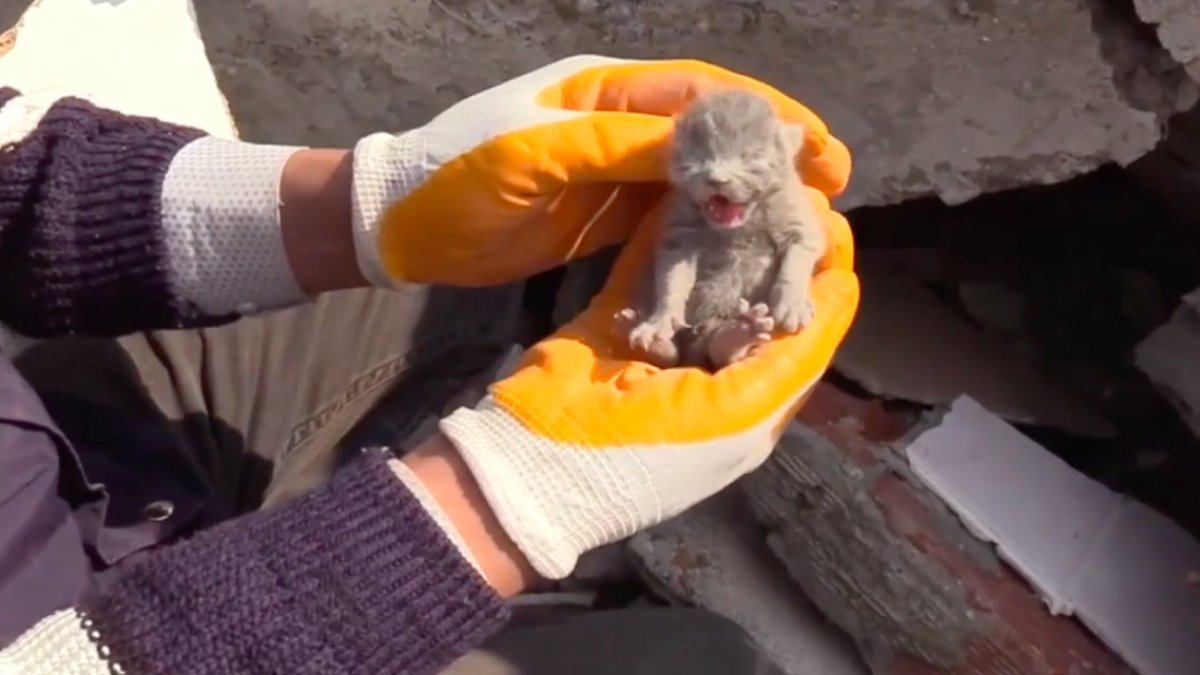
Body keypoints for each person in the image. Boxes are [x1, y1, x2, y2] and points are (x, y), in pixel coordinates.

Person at [0, 54, 859, 674]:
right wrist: (489, 508)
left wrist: (354, 208)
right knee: (696, 658)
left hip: (56, 469)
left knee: (457, 281)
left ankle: (293, 508)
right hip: (85, 638)